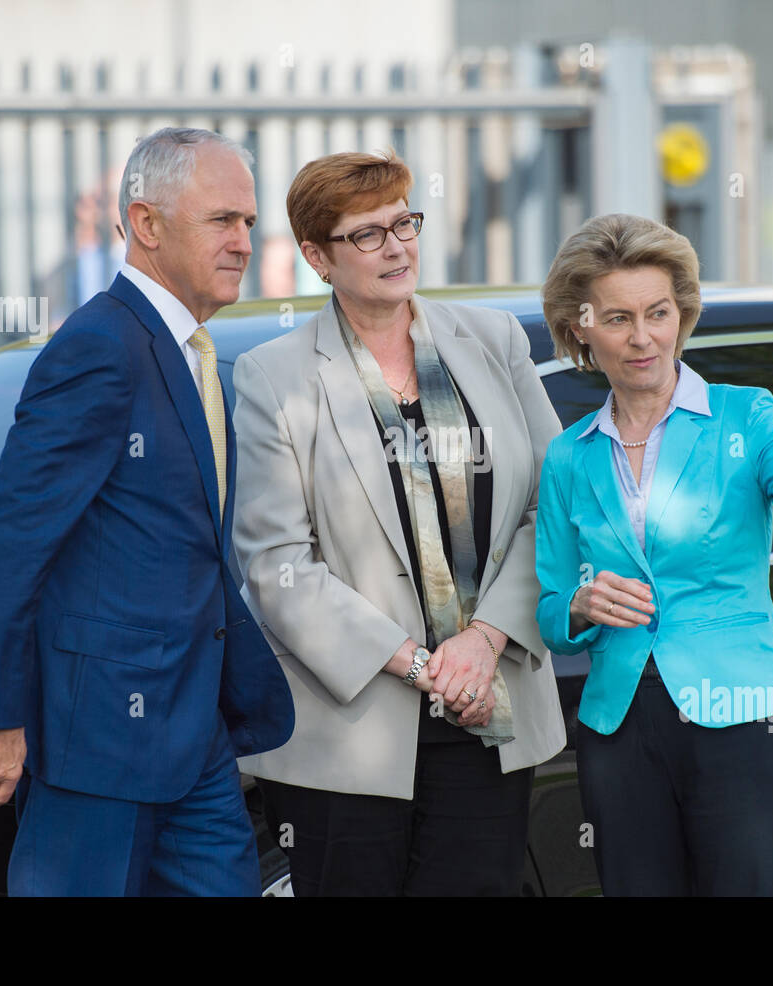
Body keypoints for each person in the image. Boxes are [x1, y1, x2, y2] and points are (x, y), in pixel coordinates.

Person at [0, 128, 294, 896]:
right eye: (223, 221)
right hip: (97, 739)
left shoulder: (185, 348)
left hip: (192, 733)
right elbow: (11, 539)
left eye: (248, 221)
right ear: (146, 224)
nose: (244, 240)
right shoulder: (100, 345)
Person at [231, 150, 566, 896]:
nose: (397, 246)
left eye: (404, 222)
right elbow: (276, 565)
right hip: (348, 733)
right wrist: (424, 668)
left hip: (490, 712)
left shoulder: (494, 340)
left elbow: (559, 506)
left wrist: (484, 643)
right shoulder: (272, 376)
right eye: (368, 234)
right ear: (317, 256)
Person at [534, 213, 773, 896]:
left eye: (658, 313)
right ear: (581, 327)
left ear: (682, 314)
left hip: (741, 712)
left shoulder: (749, 416)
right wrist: (582, 604)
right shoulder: (568, 455)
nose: (643, 336)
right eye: (618, 318)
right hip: (619, 724)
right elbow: (552, 615)